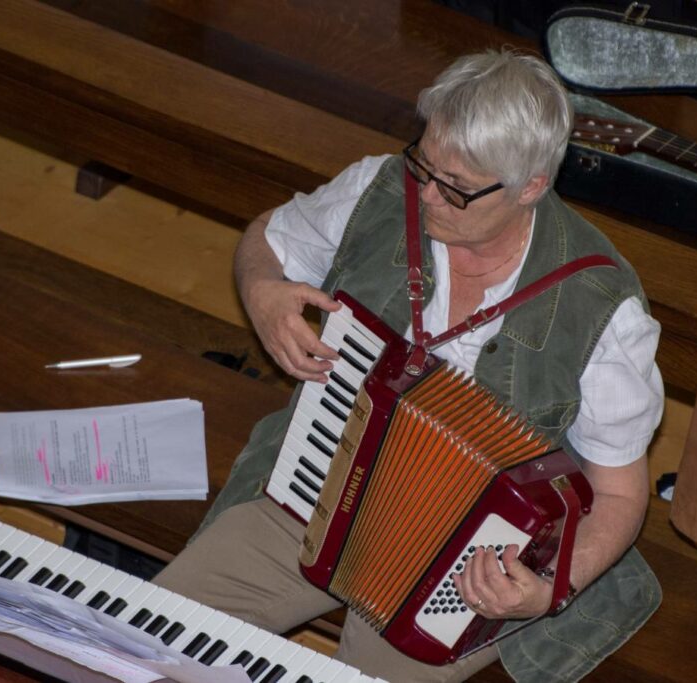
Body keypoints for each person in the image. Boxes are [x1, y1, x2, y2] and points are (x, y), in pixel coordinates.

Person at [155, 49, 664, 682]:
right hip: (320, 480)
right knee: (155, 639)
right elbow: (270, 239)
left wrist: (547, 590)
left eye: (455, 187)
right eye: (423, 163)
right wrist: (262, 292)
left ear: (531, 187)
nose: (424, 195)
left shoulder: (603, 308)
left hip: (467, 565)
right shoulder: (378, 189)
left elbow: (619, 493)